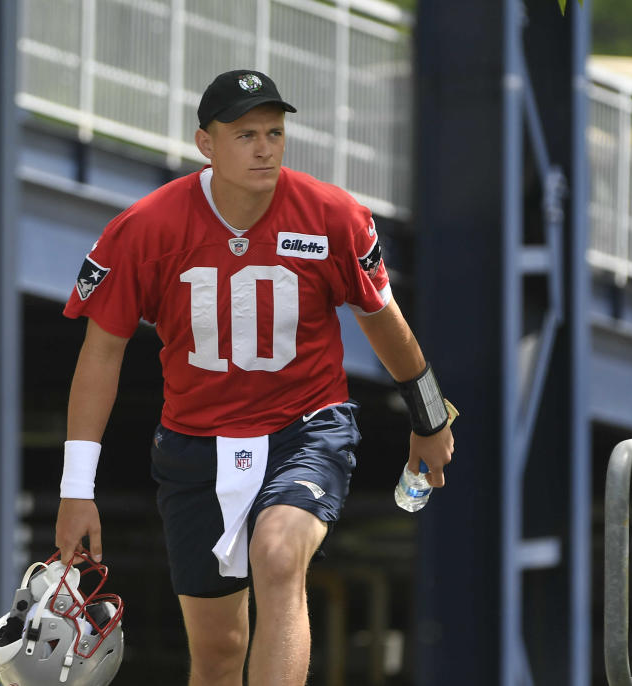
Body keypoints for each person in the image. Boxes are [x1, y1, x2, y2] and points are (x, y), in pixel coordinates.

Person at [54, 69, 455, 686]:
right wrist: (76, 489)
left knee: (276, 557)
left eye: (274, 131)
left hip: (306, 430)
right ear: (205, 144)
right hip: (195, 448)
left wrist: (428, 418)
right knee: (217, 654)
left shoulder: (331, 216)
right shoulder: (147, 228)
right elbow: (100, 355)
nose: (265, 146)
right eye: (245, 135)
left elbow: (383, 320)